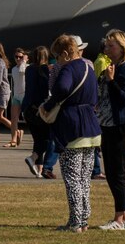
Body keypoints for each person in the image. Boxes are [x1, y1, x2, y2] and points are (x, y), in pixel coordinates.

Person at [41, 35, 100, 233]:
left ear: (66, 54)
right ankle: (83, 219)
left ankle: (75, 222)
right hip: (91, 127)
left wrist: (48, 106)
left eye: (57, 56)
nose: (56, 60)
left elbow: (62, 88)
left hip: (72, 127)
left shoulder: (68, 68)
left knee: (72, 178)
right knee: (84, 178)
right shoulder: (89, 68)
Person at [96, 29, 125, 230]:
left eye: (111, 46)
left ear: (122, 48)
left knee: (116, 173)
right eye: (106, 45)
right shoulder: (112, 66)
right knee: (112, 172)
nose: (107, 49)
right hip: (108, 124)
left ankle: (120, 219)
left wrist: (111, 81)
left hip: (119, 125)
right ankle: (123, 217)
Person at [22, 46, 52, 177]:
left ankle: (39, 169)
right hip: (39, 108)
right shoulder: (44, 69)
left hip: (27, 108)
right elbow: (44, 89)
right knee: (48, 139)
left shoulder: (29, 69)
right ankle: (33, 158)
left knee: (38, 139)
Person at [7, 48, 27, 148]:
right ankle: (14, 139)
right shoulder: (14, 69)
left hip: (25, 95)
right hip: (16, 95)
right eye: (16, 57)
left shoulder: (26, 67)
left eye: (20, 57)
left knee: (28, 118)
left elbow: (22, 71)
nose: (18, 58)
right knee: (14, 118)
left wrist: (24, 62)